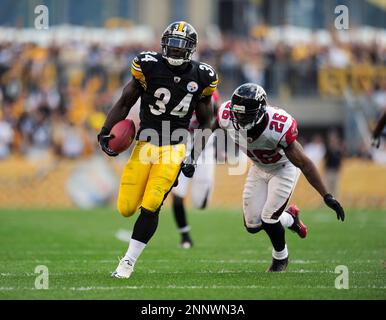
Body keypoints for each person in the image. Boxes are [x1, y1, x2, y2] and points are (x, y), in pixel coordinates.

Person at [97, 21, 218, 278]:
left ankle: (128, 262)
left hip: (174, 147)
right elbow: (124, 101)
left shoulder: (203, 76)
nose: (174, 51)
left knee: (152, 203)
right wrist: (105, 131)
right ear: (163, 44)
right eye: (171, 45)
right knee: (126, 207)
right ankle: (131, 248)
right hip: (144, 144)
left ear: (191, 49)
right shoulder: (148, 65)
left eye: (180, 47)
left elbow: (207, 122)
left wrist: (193, 158)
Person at [217, 83, 345, 272]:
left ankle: (280, 258)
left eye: (247, 114)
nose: (241, 118)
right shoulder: (226, 115)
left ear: (260, 111)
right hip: (258, 168)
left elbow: (304, 163)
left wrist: (326, 195)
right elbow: (209, 125)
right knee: (252, 225)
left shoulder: (277, 126)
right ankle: (290, 218)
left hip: (283, 168)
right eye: (238, 113)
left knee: (268, 218)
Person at [171, 90, 220, 249]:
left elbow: (218, 120)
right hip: (183, 149)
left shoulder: (210, 97)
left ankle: (204, 193)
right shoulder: (178, 96)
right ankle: (185, 236)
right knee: (177, 195)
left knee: (200, 204)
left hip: (204, 151)